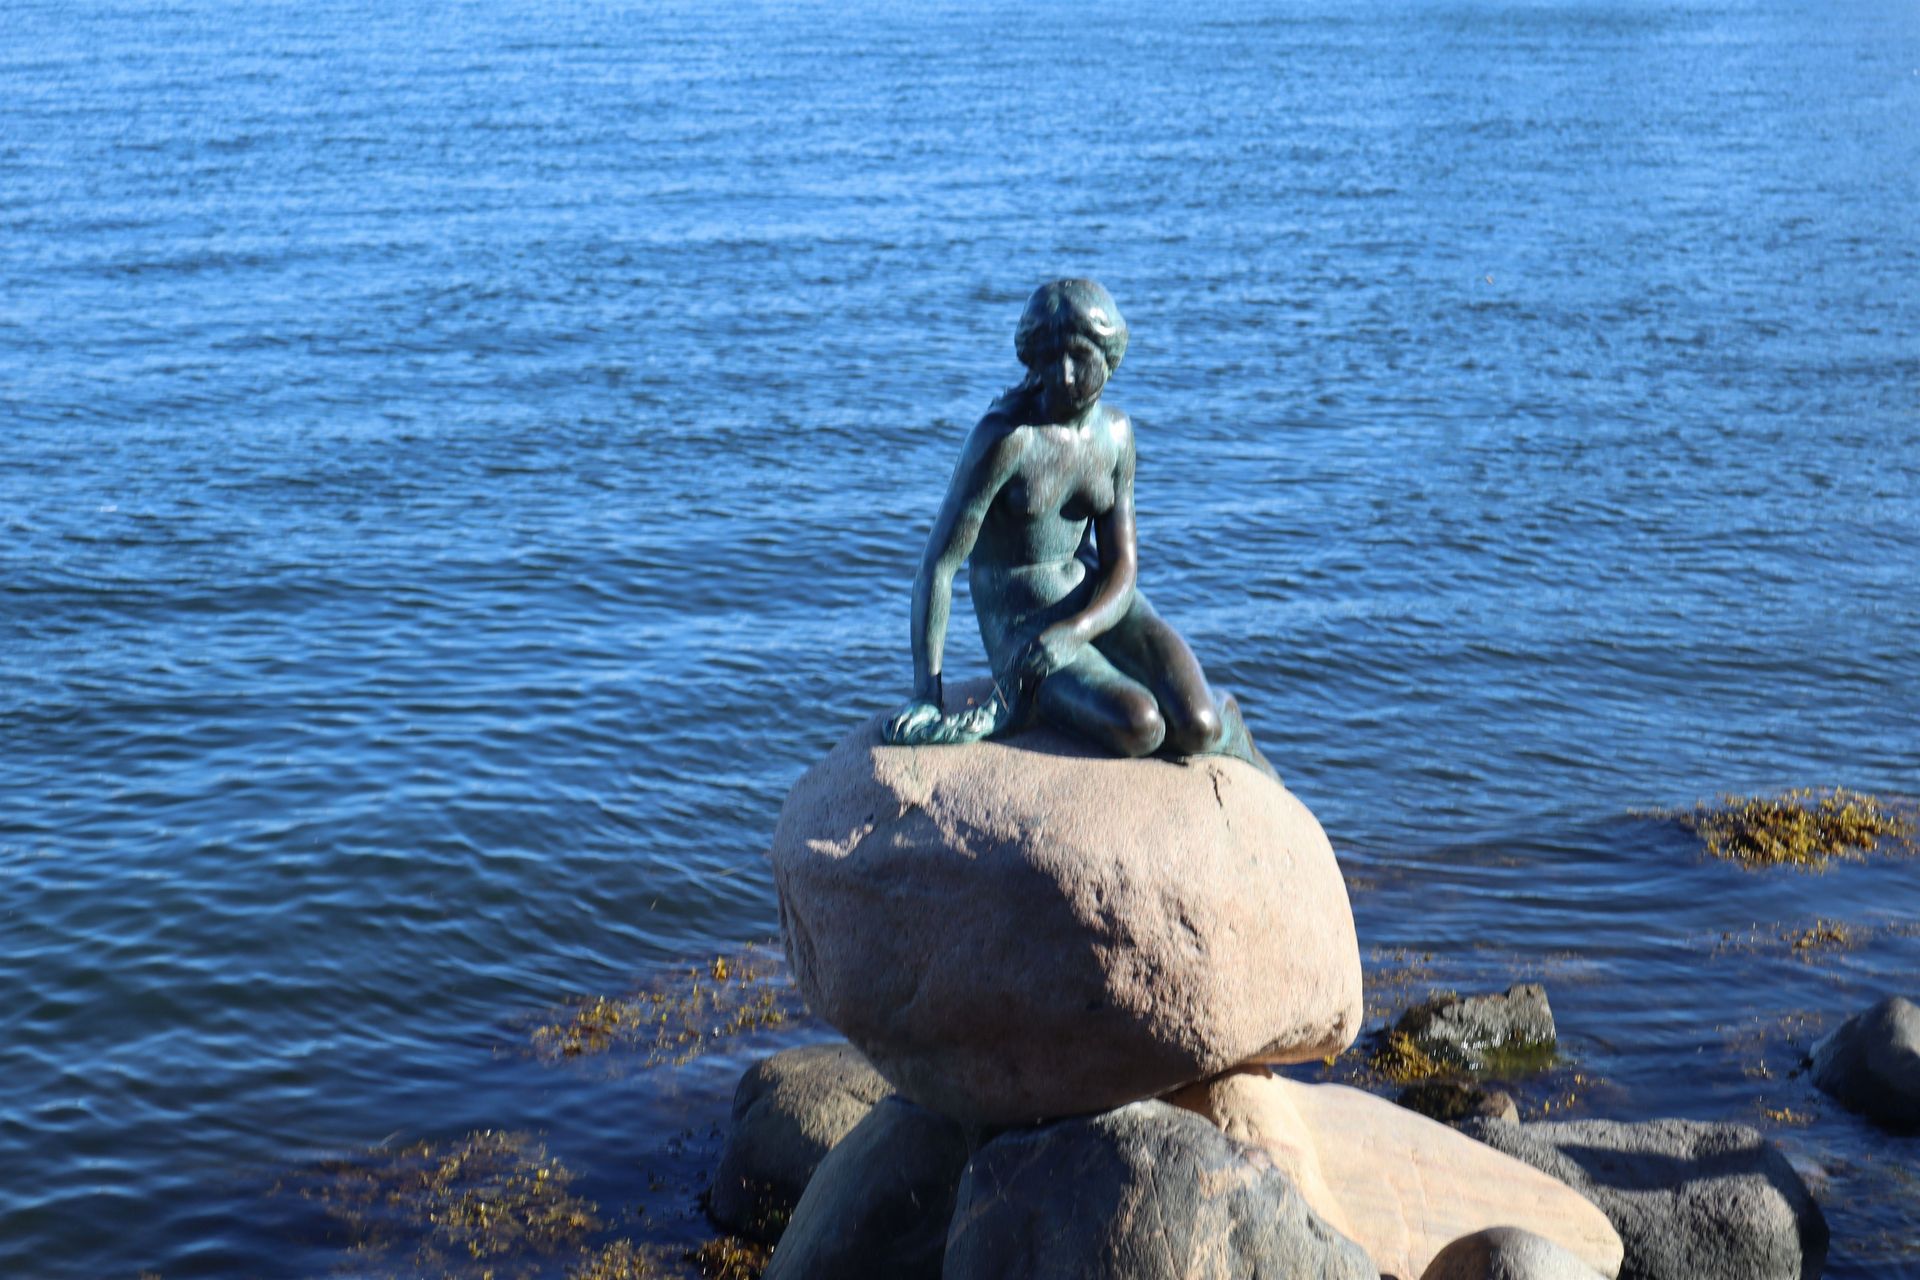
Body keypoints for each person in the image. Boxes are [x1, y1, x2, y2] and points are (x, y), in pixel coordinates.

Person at [884, 279, 1275, 778]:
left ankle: (1230, 726)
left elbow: (1122, 565)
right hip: (1023, 626)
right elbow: (937, 567)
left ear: (1110, 358)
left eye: (1080, 358)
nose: (1065, 376)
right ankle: (1040, 702)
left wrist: (1079, 630)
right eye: (1050, 359)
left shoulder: (1115, 434)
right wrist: (927, 694)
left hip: (1096, 602)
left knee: (1199, 725)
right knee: (1141, 725)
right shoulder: (1006, 439)